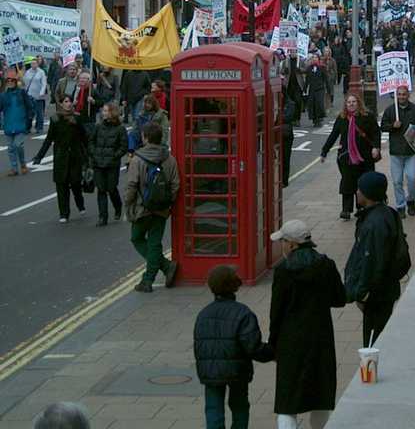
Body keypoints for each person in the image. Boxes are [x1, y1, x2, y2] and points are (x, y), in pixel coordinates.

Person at [269, 219, 346, 429]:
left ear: (293, 244)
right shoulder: (326, 264)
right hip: (320, 340)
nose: (281, 245)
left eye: (282, 241)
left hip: (290, 341)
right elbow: (340, 299)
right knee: (320, 398)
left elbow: (276, 313)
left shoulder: (284, 271)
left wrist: (273, 344)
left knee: (287, 403)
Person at [194, 265, 273, 429]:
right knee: (240, 407)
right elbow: (253, 347)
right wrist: (273, 353)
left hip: (210, 371)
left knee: (213, 409)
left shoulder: (203, 314)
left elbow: (199, 346)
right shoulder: (243, 313)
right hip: (237, 370)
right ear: (234, 286)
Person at [344, 171, 403, 345]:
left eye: (359, 189)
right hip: (385, 291)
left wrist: (362, 294)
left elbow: (373, 262)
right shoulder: (387, 213)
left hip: (377, 295)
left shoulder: (373, 224)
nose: (356, 192)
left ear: (368, 194)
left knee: (372, 345)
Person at [124, 121, 179, 292]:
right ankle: (163, 268)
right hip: (161, 208)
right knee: (155, 242)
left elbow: (131, 186)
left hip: (142, 208)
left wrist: (128, 205)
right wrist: (168, 202)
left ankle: (151, 278)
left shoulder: (137, 159)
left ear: (145, 138)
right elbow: (175, 184)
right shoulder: (169, 159)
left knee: (137, 238)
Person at [320, 94, 381, 220]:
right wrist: (324, 152)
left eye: (354, 101)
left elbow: (376, 133)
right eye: (349, 102)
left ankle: (362, 207)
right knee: (347, 182)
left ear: (358, 103)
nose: (351, 104)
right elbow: (333, 135)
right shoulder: (342, 118)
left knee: (363, 182)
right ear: (345, 104)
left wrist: (376, 147)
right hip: (346, 156)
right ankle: (346, 210)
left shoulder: (367, 117)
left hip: (365, 156)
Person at [33, 95, 87, 222]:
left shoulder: (77, 118)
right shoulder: (55, 119)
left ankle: (80, 204)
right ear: (61, 104)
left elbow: (85, 138)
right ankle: (64, 213)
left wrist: (89, 156)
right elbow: (49, 139)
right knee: (61, 185)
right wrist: (39, 156)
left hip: (75, 157)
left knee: (75, 184)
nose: (68, 104)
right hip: (61, 157)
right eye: (65, 102)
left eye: (70, 101)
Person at [380, 86, 415, 218]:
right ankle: (400, 206)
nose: (401, 97)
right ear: (396, 96)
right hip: (396, 152)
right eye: (399, 94)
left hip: (411, 152)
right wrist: (392, 126)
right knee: (397, 181)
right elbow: (383, 127)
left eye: (404, 94)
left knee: (412, 178)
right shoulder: (390, 110)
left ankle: (411, 200)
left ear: (408, 95)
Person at [89, 102, 128, 226]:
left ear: (112, 112)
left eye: (106, 111)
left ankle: (118, 207)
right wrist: (94, 154)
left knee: (111, 188)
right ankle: (103, 217)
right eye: (103, 111)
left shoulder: (120, 128)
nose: (103, 113)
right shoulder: (98, 126)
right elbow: (91, 141)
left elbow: (123, 146)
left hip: (112, 164)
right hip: (98, 163)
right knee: (101, 189)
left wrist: (114, 156)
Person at [0, 70, 32, 176]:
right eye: (8, 80)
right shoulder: (3, 95)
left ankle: (23, 164)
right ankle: (14, 168)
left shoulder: (22, 92)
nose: (9, 82)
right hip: (8, 124)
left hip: (21, 123)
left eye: (11, 80)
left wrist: (29, 120)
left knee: (18, 145)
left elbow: (29, 107)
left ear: (15, 81)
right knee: (10, 148)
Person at [23, 57, 47, 132]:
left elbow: (44, 83)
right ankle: (27, 127)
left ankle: (39, 127)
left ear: (37, 64)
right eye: (32, 63)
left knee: (39, 113)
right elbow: (25, 83)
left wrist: (42, 92)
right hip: (29, 95)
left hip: (39, 96)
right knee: (29, 113)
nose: (33, 65)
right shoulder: (27, 72)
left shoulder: (41, 72)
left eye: (35, 63)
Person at [305, 55, 328, 127]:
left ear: (318, 59)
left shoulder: (322, 68)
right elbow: (307, 79)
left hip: (320, 88)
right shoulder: (309, 68)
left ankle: (319, 119)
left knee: (319, 104)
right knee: (312, 104)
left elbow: (325, 79)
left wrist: (328, 89)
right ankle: (314, 120)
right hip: (312, 89)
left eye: (316, 58)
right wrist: (304, 89)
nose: (314, 59)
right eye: (313, 58)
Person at [281, 94, 296, 188]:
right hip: (274, 135)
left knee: (286, 158)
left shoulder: (290, 104)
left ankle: (284, 181)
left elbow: (289, 117)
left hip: (286, 135)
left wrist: (278, 117)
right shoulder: (274, 102)